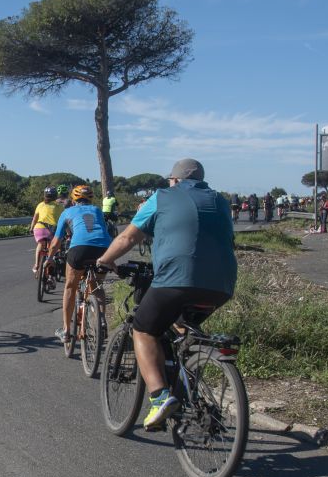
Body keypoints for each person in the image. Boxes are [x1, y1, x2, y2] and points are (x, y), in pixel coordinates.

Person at [96, 159, 236, 430]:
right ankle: (187, 387)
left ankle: (160, 397)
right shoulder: (220, 200)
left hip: (176, 278)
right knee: (183, 327)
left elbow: (127, 238)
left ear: (175, 180)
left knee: (143, 329)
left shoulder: (161, 196)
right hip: (222, 284)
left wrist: (105, 260)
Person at [49, 184, 112, 349]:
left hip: (80, 249)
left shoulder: (67, 212)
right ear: (90, 198)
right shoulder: (97, 210)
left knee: (70, 286)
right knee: (96, 286)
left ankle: (66, 331)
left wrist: (49, 258)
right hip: (104, 249)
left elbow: (56, 242)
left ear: (73, 199)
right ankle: (101, 321)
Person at [29, 187, 63, 274]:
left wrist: (31, 228)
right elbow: (64, 220)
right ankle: (51, 271)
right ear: (55, 196)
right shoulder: (59, 206)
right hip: (52, 230)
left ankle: (36, 264)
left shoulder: (40, 205)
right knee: (54, 248)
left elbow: (35, 219)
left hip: (39, 228)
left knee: (40, 244)